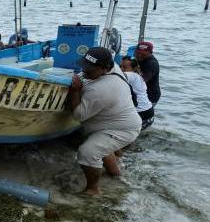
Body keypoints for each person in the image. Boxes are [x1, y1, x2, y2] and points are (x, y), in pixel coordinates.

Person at [68, 47, 141, 195]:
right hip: (119, 123)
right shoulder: (112, 66)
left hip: (122, 130)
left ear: (105, 69)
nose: (84, 72)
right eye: (84, 66)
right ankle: (115, 174)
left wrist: (75, 91)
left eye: (89, 70)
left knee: (88, 152)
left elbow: (78, 115)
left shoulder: (101, 90)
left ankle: (93, 189)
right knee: (103, 146)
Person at [120, 56, 154, 129]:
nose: (121, 69)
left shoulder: (131, 75)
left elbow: (118, 76)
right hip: (148, 112)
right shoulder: (139, 76)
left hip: (141, 113)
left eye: (125, 67)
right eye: (120, 66)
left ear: (134, 69)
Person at [134, 41, 160, 106]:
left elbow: (142, 80)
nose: (139, 55)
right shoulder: (139, 60)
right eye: (138, 53)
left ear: (150, 53)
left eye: (143, 54)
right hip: (141, 94)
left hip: (150, 97)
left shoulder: (151, 64)